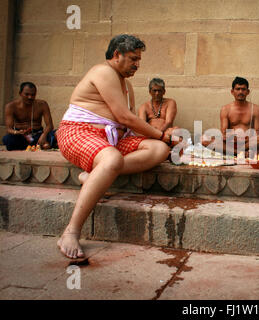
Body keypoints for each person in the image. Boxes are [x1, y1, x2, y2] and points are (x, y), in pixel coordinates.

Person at [56, 34, 175, 259]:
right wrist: (163, 135)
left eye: (139, 60)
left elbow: (127, 122)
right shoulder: (103, 72)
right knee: (112, 158)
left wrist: (167, 139)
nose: (137, 65)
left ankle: (93, 176)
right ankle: (70, 232)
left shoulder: (126, 84)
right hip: (78, 132)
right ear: (116, 54)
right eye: (133, 59)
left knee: (159, 150)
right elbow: (125, 117)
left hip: (111, 140)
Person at [203, 76, 259, 158]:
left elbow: (258, 132)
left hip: (248, 143)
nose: (240, 92)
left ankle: (241, 151)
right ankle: (238, 153)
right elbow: (224, 132)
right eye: (238, 89)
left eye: (243, 89)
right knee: (204, 138)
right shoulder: (226, 109)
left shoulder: (256, 109)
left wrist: (246, 138)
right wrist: (233, 137)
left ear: (248, 92)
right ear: (232, 91)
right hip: (230, 143)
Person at [2, 82, 57, 150]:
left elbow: (50, 125)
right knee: (7, 139)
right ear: (20, 93)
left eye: (33, 95)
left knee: (58, 133)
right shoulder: (11, 106)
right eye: (27, 94)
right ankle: (40, 145)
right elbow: (9, 129)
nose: (30, 97)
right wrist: (17, 132)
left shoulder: (42, 104)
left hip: (38, 135)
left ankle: (39, 144)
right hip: (21, 136)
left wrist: (44, 135)